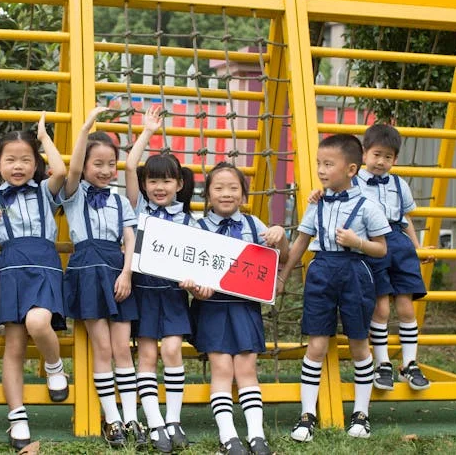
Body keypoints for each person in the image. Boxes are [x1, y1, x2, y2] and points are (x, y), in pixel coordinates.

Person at [277, 134, 391, 442]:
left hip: (356, 273)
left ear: (351, 169)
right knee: (316, 345)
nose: (321, 170)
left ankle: (361, 414)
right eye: (319, 163)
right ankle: (307, 415)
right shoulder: (316, 203)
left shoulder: (368, 206)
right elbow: (301, 242)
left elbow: (381, 249)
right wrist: (283, 276)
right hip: (321, 273)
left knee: (358, 343)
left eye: (329, 164)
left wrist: (358, 242)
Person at [307, 124, 431, 391]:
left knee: (406, 305)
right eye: (376, 154)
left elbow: (405, 217)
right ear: (364, 155)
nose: (381, 161)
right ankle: (383, 362)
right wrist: (319, 193)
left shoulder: (399, 184)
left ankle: (410, 363)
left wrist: (416, 246)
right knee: (381, 307)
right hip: (370, 243)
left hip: (398, 242)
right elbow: (334, 195)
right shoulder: (353, 181)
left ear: (395, 159)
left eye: (388, 157)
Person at [181, 162, 289, 455]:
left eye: (233, 188)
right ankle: (228, 438)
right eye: (218, 188)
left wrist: (281, 235)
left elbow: (282, 256)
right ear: (208, 194)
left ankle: (257, 436)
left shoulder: (255, 225)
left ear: (243, 194)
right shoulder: (197, 228)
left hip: (245, 307)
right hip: (212, 307)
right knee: (221, 368)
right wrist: (194, 288)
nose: (226, 194)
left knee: (246, 368)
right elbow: (188, 270)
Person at [0, 113, 68, 450]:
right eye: (10, 160)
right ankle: (17, 418)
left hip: (44, 267)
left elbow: (62, 172)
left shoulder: (44, 190)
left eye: (26, 160)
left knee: (38, 322)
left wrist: (44, 138)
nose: (18, 166)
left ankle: (55, 366)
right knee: (13, 347)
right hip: (11, 269)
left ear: (36, 164)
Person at [60, 106, 145, 447]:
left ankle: (132, 418)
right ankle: (112, 419)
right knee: (103, 348)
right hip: (87, 271)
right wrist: (85, 127)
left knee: (123, 347)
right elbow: (73, 167)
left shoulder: (120, 201)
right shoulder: (73, 193)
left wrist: (126, 274)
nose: (106, 170)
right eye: (98, 164)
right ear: (85, 166)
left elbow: (130, 238)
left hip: (117, 270)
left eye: (111, 164)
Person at [125, 105, 195, 453]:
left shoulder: (190, 221)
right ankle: (155, 424)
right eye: (152, 180)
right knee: (148, 357)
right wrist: (148, 132)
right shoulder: (138, 209)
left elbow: (199, 263)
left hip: (173, 294)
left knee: (172, 350)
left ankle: (173, 420)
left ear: (179, 184)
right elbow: (129, 167)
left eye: (167, 180)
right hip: (144, 292)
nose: (159, 186)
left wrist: (193, 281)